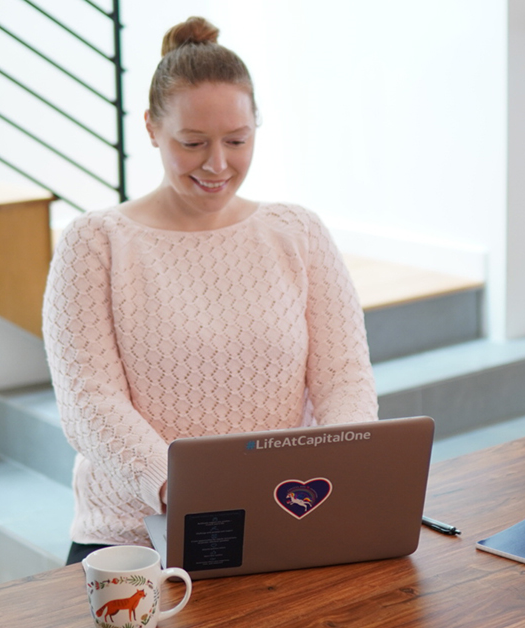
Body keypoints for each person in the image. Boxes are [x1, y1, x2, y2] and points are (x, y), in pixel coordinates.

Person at [42, 16, 378, 566]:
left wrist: (331, 477)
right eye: (193, 142)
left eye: (237, 141)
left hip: (286, 516)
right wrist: (189, 492)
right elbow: (88, 403)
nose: (218, 164)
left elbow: (345, 381)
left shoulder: (297, 232)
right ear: (152, 128)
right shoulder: (96, 241)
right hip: (133, 535)